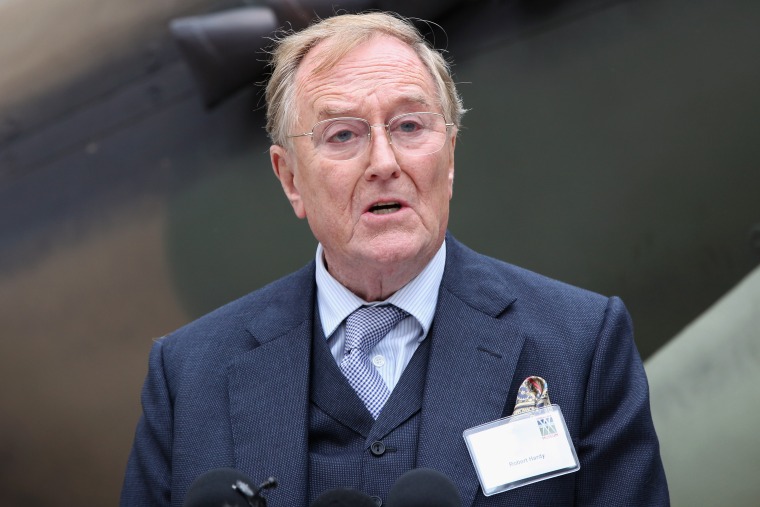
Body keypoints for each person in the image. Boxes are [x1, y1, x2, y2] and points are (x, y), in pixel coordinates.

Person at [121, 11, 669, 506]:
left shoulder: (580, 344)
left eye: (409, 126)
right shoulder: (189, 376)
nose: (384, 162)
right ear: (289, 178)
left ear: (449, 155)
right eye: (342, 135)